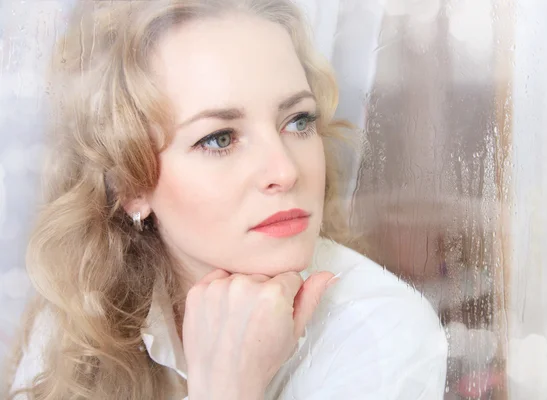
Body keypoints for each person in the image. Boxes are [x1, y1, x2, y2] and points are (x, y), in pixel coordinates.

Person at [2, 0, 447, 399]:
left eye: (297, 121)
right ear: (131, 186)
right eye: (219, 138)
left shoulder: (377, 330)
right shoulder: (86, 304)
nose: (285, 171)